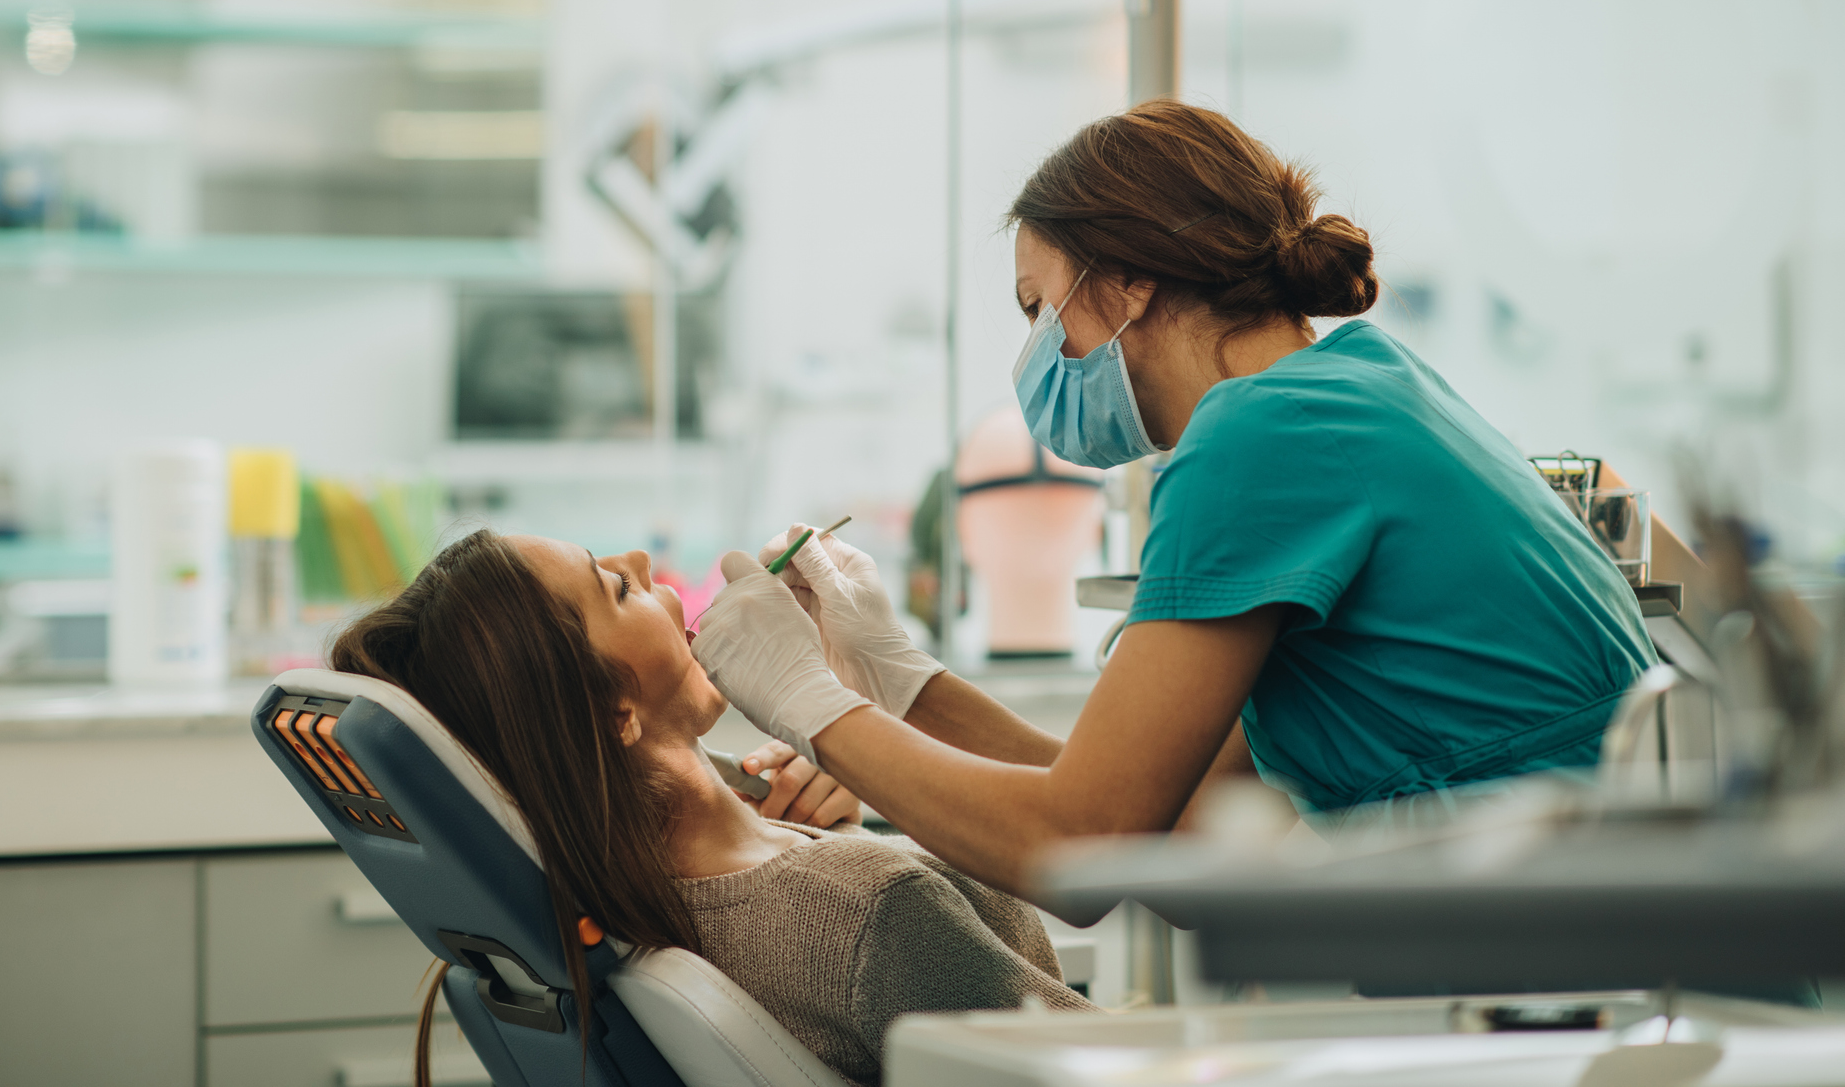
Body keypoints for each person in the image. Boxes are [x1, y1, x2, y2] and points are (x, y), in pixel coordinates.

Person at [692, 100, 1657, 897]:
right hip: (1629, 946)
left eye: (1039, 309)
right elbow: (1170, 821)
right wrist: (898, 681)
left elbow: (1081, 844)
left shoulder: (1260, 436)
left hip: (1581, 969)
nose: (1035, 355)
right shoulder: (1359, 386)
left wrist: (808, 702)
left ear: (1127, 281)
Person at [329, 529, 1093, 1087]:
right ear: (613, 709)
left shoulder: (631, 897)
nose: (636, 561)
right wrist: (853, 863)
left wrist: (838, 832)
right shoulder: (869, 908)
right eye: (616, 588)